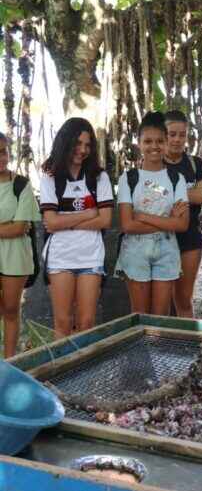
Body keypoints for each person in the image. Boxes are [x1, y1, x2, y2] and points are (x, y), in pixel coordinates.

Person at [40, 118, 113, 339]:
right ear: (65, 142)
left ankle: (85, 373)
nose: (83, 150)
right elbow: (50, 222)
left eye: (88, 145)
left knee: (86, 323)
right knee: (62, 323)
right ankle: (61, 372)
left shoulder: (100, 177)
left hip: (90, 256)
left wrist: (66, 222)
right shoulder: (50, 177)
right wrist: (89, 213)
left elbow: (105, 220)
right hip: (61, 257)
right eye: (78, 143)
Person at [115, 112, 189, 316]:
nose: (154, 146)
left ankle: (158, 349)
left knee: (161, 317)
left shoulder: (176, 178)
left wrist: (144, 216)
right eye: (147, 141)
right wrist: (168, 220)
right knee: (139, 315)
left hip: (167, 249)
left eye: (159, 141)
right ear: (138, 144)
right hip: (135, 250)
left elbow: (182, 225)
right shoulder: (128, 179)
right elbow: (127, 225)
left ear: (166, 143)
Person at [0, 133, 40, 357]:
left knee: (11, 309)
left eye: (4, 151)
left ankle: (9, 366)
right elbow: (13, 227)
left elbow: (19, 228)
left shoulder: (22, 184)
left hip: (16, 256)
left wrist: (13, 225)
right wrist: (8, 224)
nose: (1, 157)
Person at [164, 110, 202, 318]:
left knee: (183, 300)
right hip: (161, 239)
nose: (177, 139)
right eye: (172, 134)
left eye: (182, 135)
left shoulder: (196, 164)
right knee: (162, 302)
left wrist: (169, 192)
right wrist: (189, 194)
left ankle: (188, 346)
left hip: (190, 240)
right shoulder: (153, 163)